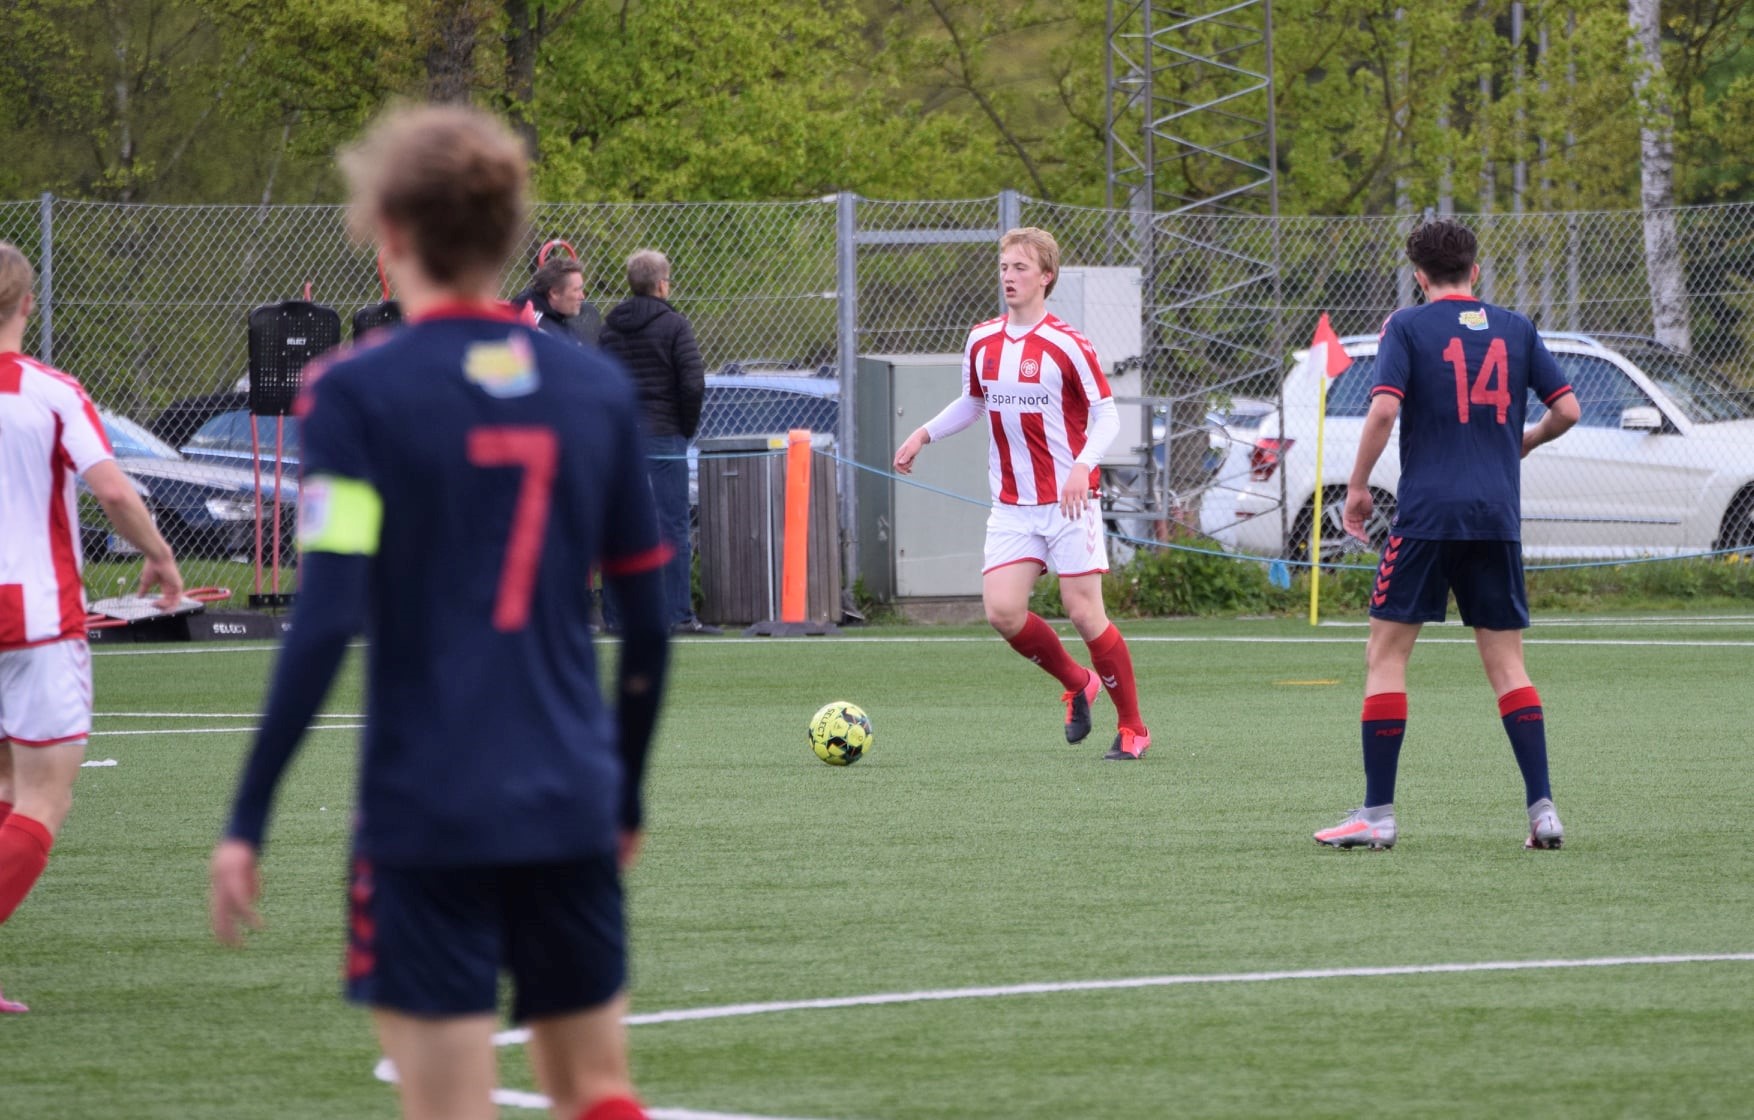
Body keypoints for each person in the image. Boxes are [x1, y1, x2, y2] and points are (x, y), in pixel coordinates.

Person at [207, 105, 672, 1120]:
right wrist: (626, 793)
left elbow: (324, 618)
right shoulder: (591, 389)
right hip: (567, 790)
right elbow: (645, 623)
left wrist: (248, 817)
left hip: (426, 802)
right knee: (598, 1090)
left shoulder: (354, 391)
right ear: (510, 237)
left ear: (387, 232)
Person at [1314, 218, 1580, 852]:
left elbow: (1384, 408)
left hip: (1427, 517)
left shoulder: (1406, 326)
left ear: (1419, 276)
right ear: (1475, 270)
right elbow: (1567, 409)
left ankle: (1378, 815)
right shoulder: (1516, 327)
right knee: (1508, 665)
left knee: (1386, 656)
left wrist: (1357, 486)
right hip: (1496, 517)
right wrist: (1526, 440)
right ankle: (1543, 811)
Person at [0, 241, 184, 1014]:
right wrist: (161, 555)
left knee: (8, 789)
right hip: (36, 622)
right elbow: (111, 490)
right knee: (44, 799)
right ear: (28, 304)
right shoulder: (51, 392)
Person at [893, 227, 1150, 760]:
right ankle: (1079, 682)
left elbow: (1106, 415)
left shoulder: (1068, 344)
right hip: (1012, 504)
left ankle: (1133, 728)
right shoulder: (982, 339)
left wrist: (1082, 466)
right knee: (1003, 613)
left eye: (1021, 268)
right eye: (1004, 267)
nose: (1008, 277)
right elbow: (973, 401)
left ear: (1046, 277)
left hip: (1069, 502)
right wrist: (923, 434)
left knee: (1084, 613)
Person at [598, 249, 717, 635]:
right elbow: (693, 383)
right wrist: (685, 427)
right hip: (664, 434)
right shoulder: (675, 325)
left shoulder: (609, 328)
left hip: (622, 438)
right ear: (662, 284)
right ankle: (677, 614)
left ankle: (616, 616)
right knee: (672, 525)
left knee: (620, 524)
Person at [512, 253, 603, 345]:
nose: (582, 296)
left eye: (581, 289)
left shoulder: (558, 317)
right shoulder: (535, 326)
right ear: (554, 293)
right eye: (576, 290)